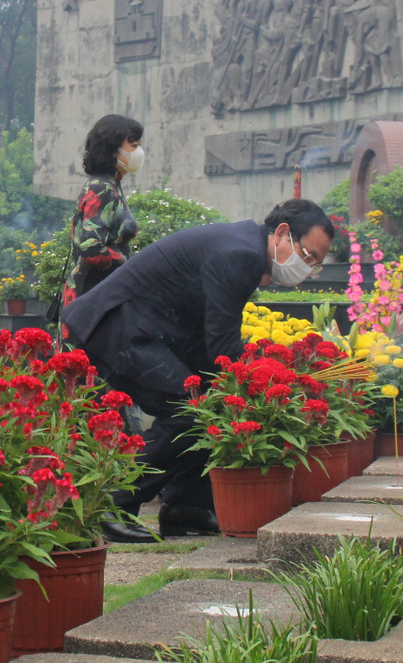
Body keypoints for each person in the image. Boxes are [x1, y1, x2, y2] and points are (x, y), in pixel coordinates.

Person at [61, 199, 334, 542]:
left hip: (143, 328)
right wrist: (270, 379)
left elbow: (214, 347)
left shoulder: (246, 247)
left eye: (316, 264)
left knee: (209, 397)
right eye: (307, 255)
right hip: (119, 325)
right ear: (282, 233)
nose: (306, 268)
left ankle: (186, 506)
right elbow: (223, 347)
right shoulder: (241, 253)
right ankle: (114, 503)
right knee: (192, 410)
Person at [62, 114, 144, 315]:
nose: (139, 152)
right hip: (93, 297)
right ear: (112, 150)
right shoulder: (102, 189)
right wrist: (134, 265)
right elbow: (91, 249)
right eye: (133, 146)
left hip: (100, 293)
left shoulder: (110, 186)